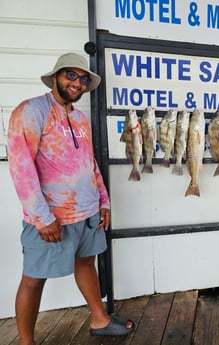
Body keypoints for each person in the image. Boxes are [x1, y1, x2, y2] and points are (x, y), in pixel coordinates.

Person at [8, 53, 136, 345]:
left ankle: (99, 319)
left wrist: (103, 201)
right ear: (55, 76)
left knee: (86, 264)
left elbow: (89, 163)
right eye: (71, 75)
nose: (77, 83)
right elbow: (21, 168)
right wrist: (41, 217)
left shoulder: (79, 118)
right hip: (52, 219)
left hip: (88, 213)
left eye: (83, 78)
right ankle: (26, 342)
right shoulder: (31, 111)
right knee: (33, 278)